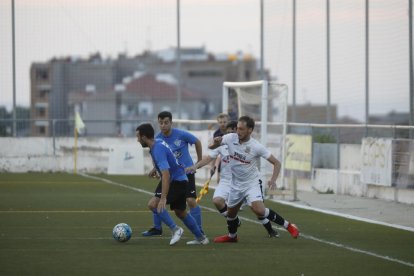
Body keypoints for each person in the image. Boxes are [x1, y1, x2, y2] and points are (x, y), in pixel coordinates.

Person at [209, 115, 300, 242]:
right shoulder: (230, 138)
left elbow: (277, 163)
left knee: (259, 210)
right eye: (237, 128)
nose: (238, 131)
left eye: (241, 129)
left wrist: (273, 179)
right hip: (235, 184)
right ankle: (232, 236)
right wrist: (215, 143)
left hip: (252, 183)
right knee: (230, 214)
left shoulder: (256, 146)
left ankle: (289, 226)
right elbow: (211, 147)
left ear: (250, 130)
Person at [189, 121, 279, 238]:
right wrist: (195, 166)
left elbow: (271, 161)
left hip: (246, 181)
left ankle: (271, 230)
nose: (235, 133)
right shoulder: (224, 144)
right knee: (217, 201)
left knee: (256, 208)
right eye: (232, 131)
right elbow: (208, 156)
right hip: (227, 181)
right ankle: (234, 223)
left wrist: (272, 179)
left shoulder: (248, 145)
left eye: (236, 130)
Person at [136, 123, 208, 245]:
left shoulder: (157, 148)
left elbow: (166, 174)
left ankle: (176, 229)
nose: (137, 140)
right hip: (179, 178)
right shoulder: (157, 142)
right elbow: (167, 160)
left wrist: (163, 198)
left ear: (143, 137)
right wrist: (155, 169)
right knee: (180, 212)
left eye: (138, 137)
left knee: (154, 204)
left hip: (177, 180)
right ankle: (201, 238)